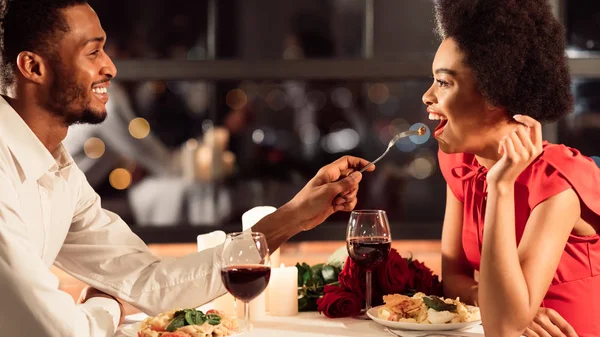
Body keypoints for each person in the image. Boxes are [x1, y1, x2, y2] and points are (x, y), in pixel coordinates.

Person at [0, 1, 374, 336]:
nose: (110, 67)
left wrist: (293, 216)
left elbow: (151, 283)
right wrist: (108, 305)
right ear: (33, 66)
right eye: (93, 51)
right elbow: (56, 330)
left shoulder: (59, 171)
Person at [424, 1, 600, 336]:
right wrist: (499, 303)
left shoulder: (558, 181)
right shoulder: (459, 163)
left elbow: (502, 328)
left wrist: (501, 188)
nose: (427, 96)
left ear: (495, 93)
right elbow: (454, 279)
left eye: (444, 83)